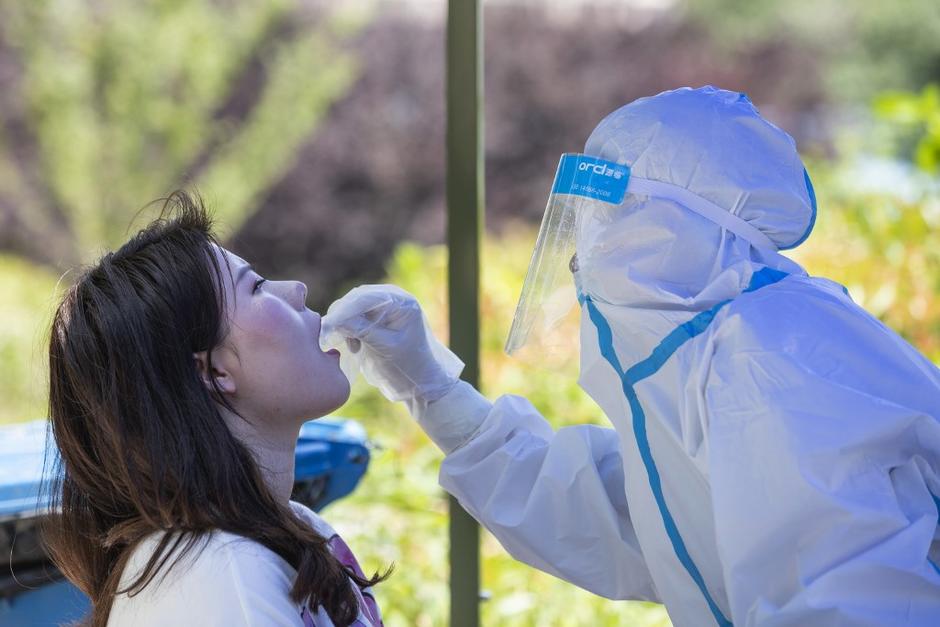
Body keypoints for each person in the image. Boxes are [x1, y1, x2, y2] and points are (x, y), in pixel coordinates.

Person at [325, 86, 940, 626]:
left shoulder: (772, 360)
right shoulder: (720, 347)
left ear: (688, 227)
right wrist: (432, 391)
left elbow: (846, 602)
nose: (582, 252)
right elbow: (634, 514)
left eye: (611, 214)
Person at [44, 192, 387, 627]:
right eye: (256, 287)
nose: (297, 290)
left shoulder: (286, 532)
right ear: (212, 371)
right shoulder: (224, 570)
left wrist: (440, 400)